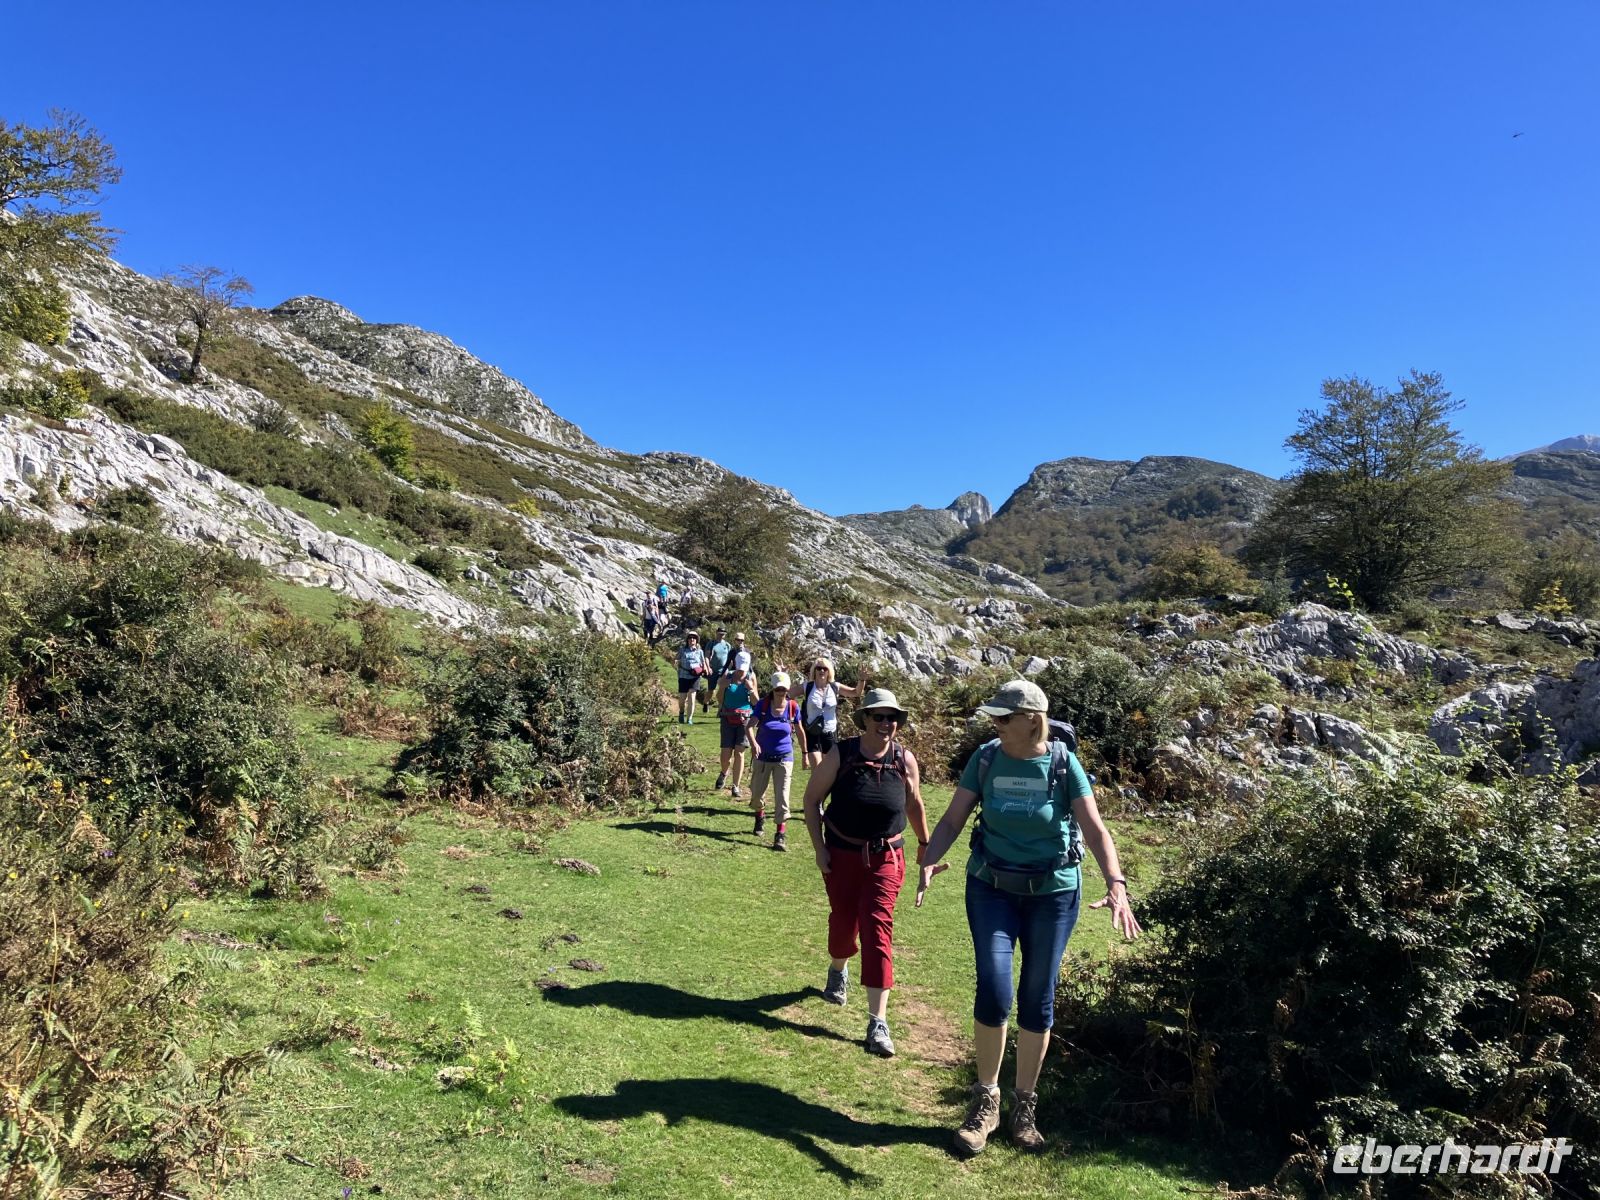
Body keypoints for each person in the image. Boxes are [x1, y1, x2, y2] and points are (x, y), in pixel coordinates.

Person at [917, 679, 1142, 1157]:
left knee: (1038, 996)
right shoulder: (986, 758)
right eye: (994, 716)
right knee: (995, 987)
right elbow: (953, 819)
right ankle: (986, 1101)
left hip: (1053, 895)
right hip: (990, 888)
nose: (994, 723)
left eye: (1003, 716)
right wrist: (928, 860)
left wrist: (1117, 884)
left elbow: (1095, 830)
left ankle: (1025, 1108)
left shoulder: (1063, 763)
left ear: (1031, 720)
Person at [801, 688, 930, 1058]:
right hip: (841, 853)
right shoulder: (842, 753)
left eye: (892, 717)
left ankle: (878, 1023)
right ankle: (838, 968)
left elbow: (915, 802)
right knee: (843, 925)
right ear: (865, 720)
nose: (886, 723)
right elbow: (811, 801)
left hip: (887, 856)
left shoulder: (905, 759)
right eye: (879, 716)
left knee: (877, 928)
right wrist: (819, 848)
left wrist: (925, 845)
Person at [745, 671, 807, 852]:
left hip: (784, 758)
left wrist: (804, 753)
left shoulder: (793, 707)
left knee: (782, 798)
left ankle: (780, 835)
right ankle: (760, 814)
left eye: (784, 689)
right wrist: (754, 743)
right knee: (757, 793)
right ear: (773, 689)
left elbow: (800, 731)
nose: (781, 692)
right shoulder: (763, 705)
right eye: (778, 689)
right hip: (762, 758)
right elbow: (750, 727)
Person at [800, 658, 869, 770]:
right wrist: (781, 674)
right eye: (819, 668)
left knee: (828, 769)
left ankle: (827, 787)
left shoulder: (835, 687)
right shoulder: (807, 687)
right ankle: (818, 786)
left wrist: (861, 680)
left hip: (830, 733)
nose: (822, 671)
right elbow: (786, 693)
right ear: (814, 670)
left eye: (825, 668)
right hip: (812, 732)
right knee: (817, 770)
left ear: (829, 671)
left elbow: (856, 693)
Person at [712, 664, 758, 799]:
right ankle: (724, 772)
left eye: (744, 668)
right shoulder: (728, 675)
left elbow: (756, 702)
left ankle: (735, 785)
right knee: (726, 753)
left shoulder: (751, 677)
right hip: (727, 717)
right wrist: (723, 687)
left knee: (739, 752)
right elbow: (719, 699)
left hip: (745, 719)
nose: (741, 671)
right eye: (739, 668)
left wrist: (751, 690)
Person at [674, 632, 707, 725]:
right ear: (687, 640)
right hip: (683, 676)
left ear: (697, 640)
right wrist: (676, 662)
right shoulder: (682, 650)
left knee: (692, 697)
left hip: (695, 677)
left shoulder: (700, 652)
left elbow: (703, 662)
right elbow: (675, 658)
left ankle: (689, 719)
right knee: (682, 698)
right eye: (690, 638)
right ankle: (681, 712)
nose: (692, 639)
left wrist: (704, 669)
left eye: (694, 638)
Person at [702, 627, 732, 716]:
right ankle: (705, 702)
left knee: (722, 690)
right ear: (716, 633)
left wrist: (729, 669)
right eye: (720, 633)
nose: (721, 635)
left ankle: (720, 710)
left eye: (723, 633)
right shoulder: (711, 644)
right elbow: (707, 656)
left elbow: (730, 659)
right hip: (713, 670)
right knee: (711, 691)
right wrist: (708, 667)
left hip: (723, 671)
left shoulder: (727, 645)